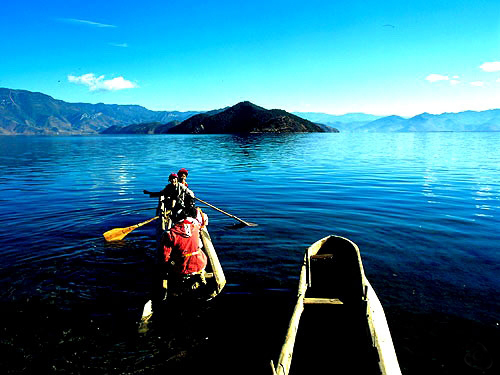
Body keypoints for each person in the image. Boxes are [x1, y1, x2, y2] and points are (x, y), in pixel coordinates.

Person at [160, 203, 209, 298]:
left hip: (183, 268)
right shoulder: (195, 227)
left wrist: (165, 268)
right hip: (201, 262)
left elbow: (164, 256)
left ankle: (175, 292)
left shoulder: (170, 234)